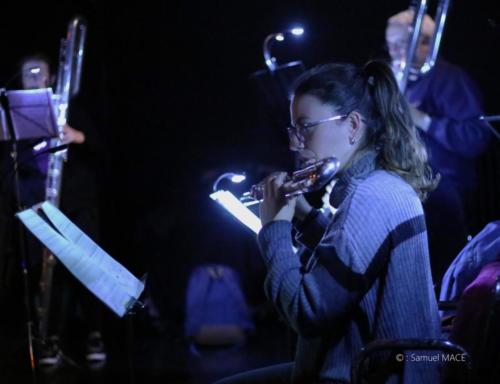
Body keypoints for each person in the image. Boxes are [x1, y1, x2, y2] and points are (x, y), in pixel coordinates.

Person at [215, 61, 441, 383]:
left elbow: (306, 311)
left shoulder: (372, 198)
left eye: (306, 127)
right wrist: (305, 218)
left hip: (363, 374)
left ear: (352, 126)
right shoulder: (373, 186)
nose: (296, 144)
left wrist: (274, 230)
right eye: (293, 130)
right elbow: (352, 272)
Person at [385, 9, 492, 288]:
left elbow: (476, 138)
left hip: (446, 192)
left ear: (425, 44)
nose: (393, 52)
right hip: (414, 188)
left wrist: (424, 120)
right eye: (390, 44)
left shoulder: (449, 78)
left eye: (400, 44)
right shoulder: (401, 80)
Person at [19, 54, 106, 368]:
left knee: (85, 269)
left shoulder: (71, 107)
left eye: (38, 73)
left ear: (51, 76)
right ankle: (50, 338)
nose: (33, 79)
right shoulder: (18, 116)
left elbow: (100, 146)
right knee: (46, 277)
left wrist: (75, 135)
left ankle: (94, 334)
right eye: (27, 75)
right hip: (40, 204)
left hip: (76, 202)